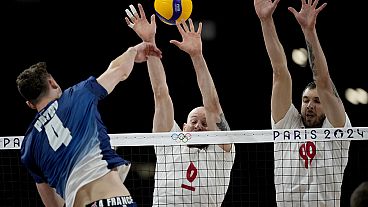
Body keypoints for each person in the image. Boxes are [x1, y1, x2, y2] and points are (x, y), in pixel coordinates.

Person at [16, 42, 162, 207]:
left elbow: (53, 205)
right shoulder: (77, 95)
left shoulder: (28, 147)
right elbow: (118, 71)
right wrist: (133, 51)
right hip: (113, 201)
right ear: (52, 83)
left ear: (30, 104)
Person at [124, 4, 235, 207]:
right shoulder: (169, 143)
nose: (199, 126)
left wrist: (197, 55)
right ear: (183, 127)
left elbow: (212, 106)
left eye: (204, 123)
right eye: (194, 121)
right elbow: (161, 94)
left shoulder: (222, 154)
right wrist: (148, 42)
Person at [254, 0, 351, 206]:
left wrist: (309, 31)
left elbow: (324, 82)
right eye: (306, 100)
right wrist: (266, 21)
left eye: (317, 101)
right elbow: (280, 72)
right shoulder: (287, 124)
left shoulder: (336, 129)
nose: (309, 105)